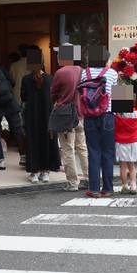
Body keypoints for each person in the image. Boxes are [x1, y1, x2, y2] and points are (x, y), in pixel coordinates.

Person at [50, 44, 89, 192]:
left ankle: (73, 182)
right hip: (80, 114)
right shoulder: (82, 71)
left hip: (65, 115)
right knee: (82, 147)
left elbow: (53, 92)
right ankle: (89, 178)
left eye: (59, 55)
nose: (58, 58)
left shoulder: (61, 72)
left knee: (67, 149)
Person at [80, 49, 118, 198]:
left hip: (89, 116)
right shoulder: (112, 73)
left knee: (93, 152)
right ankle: (108, 188)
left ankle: (94, 189)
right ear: (105, 60)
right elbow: (119, 97)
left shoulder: (85, 73)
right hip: (108, 116)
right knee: (108, 153)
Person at [21, 55, 61, 184]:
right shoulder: (51, 79)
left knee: (33, 142)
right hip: (48, 116)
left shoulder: (26, 79)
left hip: (31, 116)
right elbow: (56, 96)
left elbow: (23, 98)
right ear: (43, 63)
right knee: (47, 141)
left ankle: (34, 173)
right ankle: (46, 172)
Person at [115, 110, 137, 195]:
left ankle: (124, 186)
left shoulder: (117, 115)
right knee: (131, 166)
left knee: (123, 166)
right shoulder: (135, 113)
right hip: (132, 141)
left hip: (121, 141)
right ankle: (133, 186)